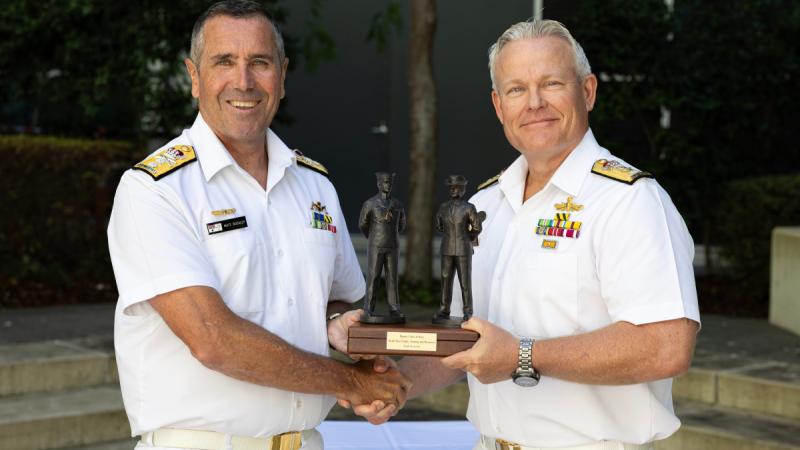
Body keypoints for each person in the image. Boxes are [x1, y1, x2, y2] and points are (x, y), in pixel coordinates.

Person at [347, 19, 700, 450]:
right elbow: (466, 342)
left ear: (588, 91)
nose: (534, 103)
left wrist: (522, 356)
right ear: (499, 106)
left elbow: (666, 347)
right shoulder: (489, 204)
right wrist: (398, 383)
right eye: (516, 89)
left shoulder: (629, 202)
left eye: (551, 83)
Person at [107, 2, 410, 450]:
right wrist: (353, 382)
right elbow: (213, 340)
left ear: (282, 76)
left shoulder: (314, 184)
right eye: (224, 62)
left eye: (260, 63)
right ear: (194, 76)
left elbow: (337, 298)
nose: (244, 81)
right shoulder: (154, 190)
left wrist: (340, 324)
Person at [433, 175, 483, 325]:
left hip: (463, 249)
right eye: (451, 187)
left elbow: (477, 227)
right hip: (447, 248)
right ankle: (444, 310)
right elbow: (439, 225)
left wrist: (467, 238)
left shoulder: (469, 208)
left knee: (465, 281)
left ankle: (468, 312)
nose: (454, 190)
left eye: (457, 187)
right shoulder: (443, 207)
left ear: (463, 190)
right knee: (445, 280)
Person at [359, 172, 407, 323]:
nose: (389, 185)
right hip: (376, 246)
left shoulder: (398, 205)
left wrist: (391, 235)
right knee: (373, 277)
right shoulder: (370, 204)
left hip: (393, 246)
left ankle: (394, 308)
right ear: (379, 184)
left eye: (390, 182)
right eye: (386, 182)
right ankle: (368, 308)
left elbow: (402, 224)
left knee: (392, 278)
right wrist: (373, 237)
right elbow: (363, 224)